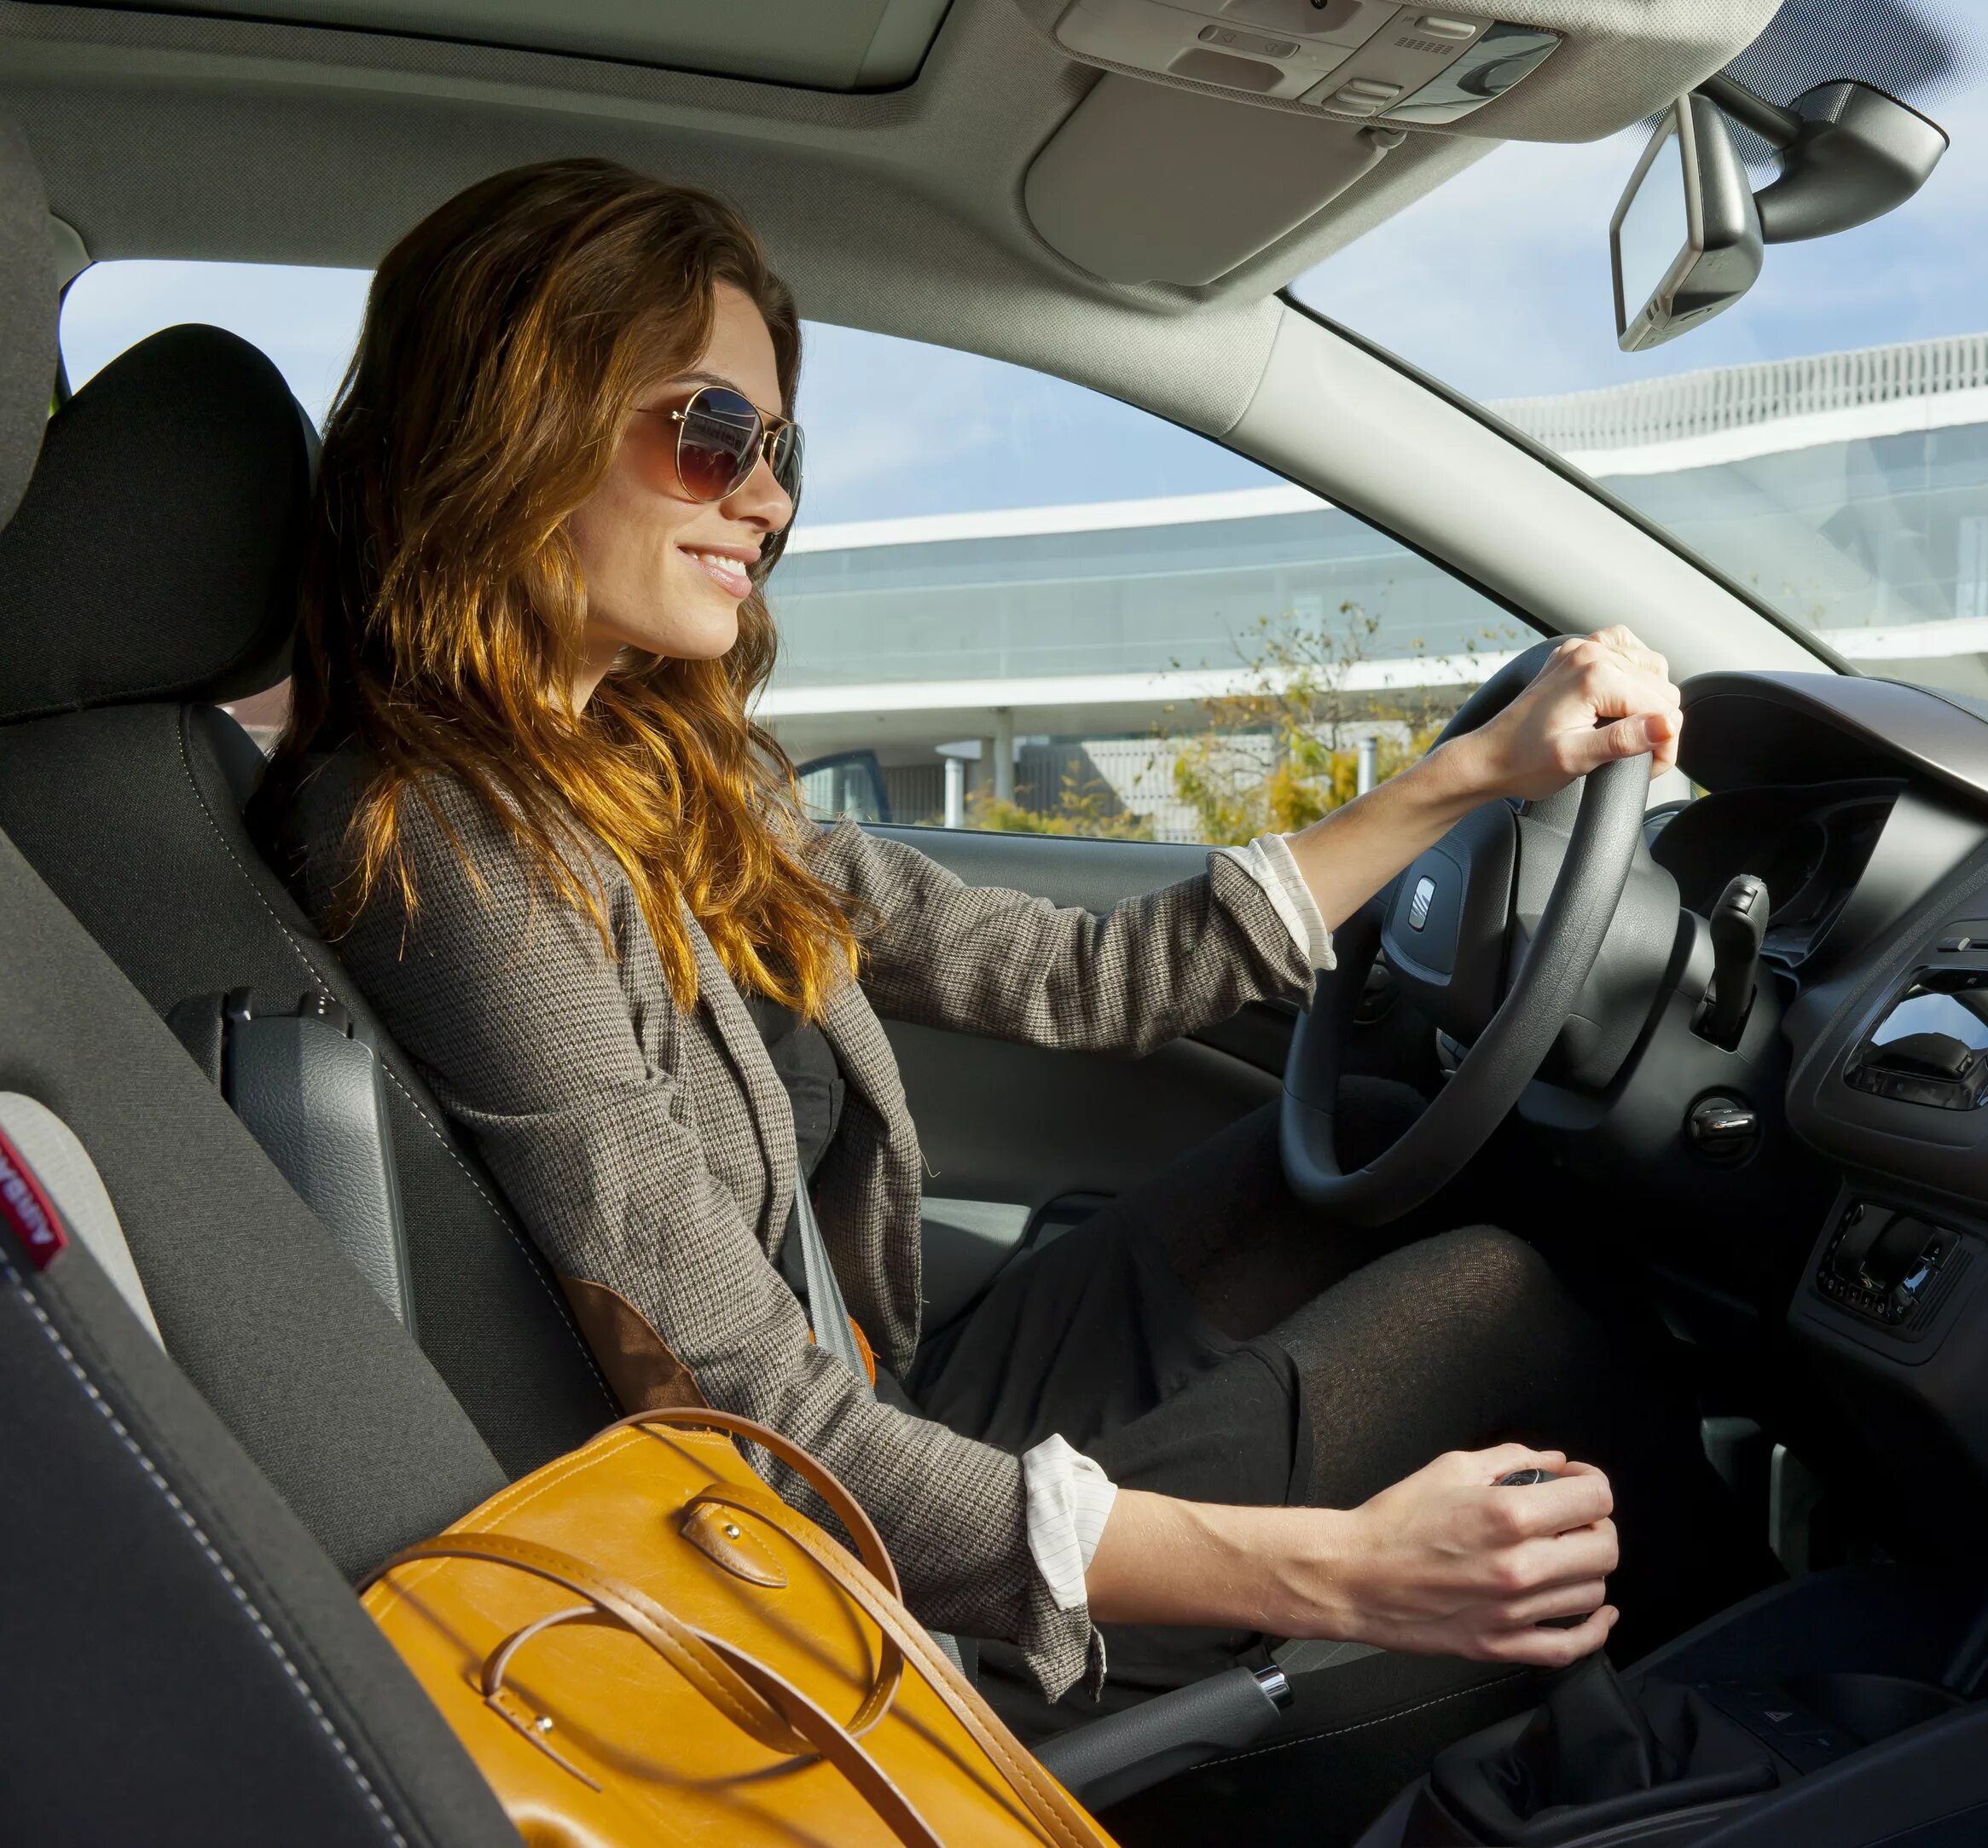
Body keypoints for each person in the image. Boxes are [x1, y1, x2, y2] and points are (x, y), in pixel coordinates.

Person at [254, 158, 1705, 1727]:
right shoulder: (449, 849)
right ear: (509, 435)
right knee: (1499, 1307)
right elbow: (753, 1423)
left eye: (777, 446)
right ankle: (1731, 1742)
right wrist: (1342, 1569)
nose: (769, 498)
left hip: (867, 1410)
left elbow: (1080, 980)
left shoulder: (672, 779)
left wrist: (1472, 773)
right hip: (804, 1595)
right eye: (710, 435)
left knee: (1351, 1142)